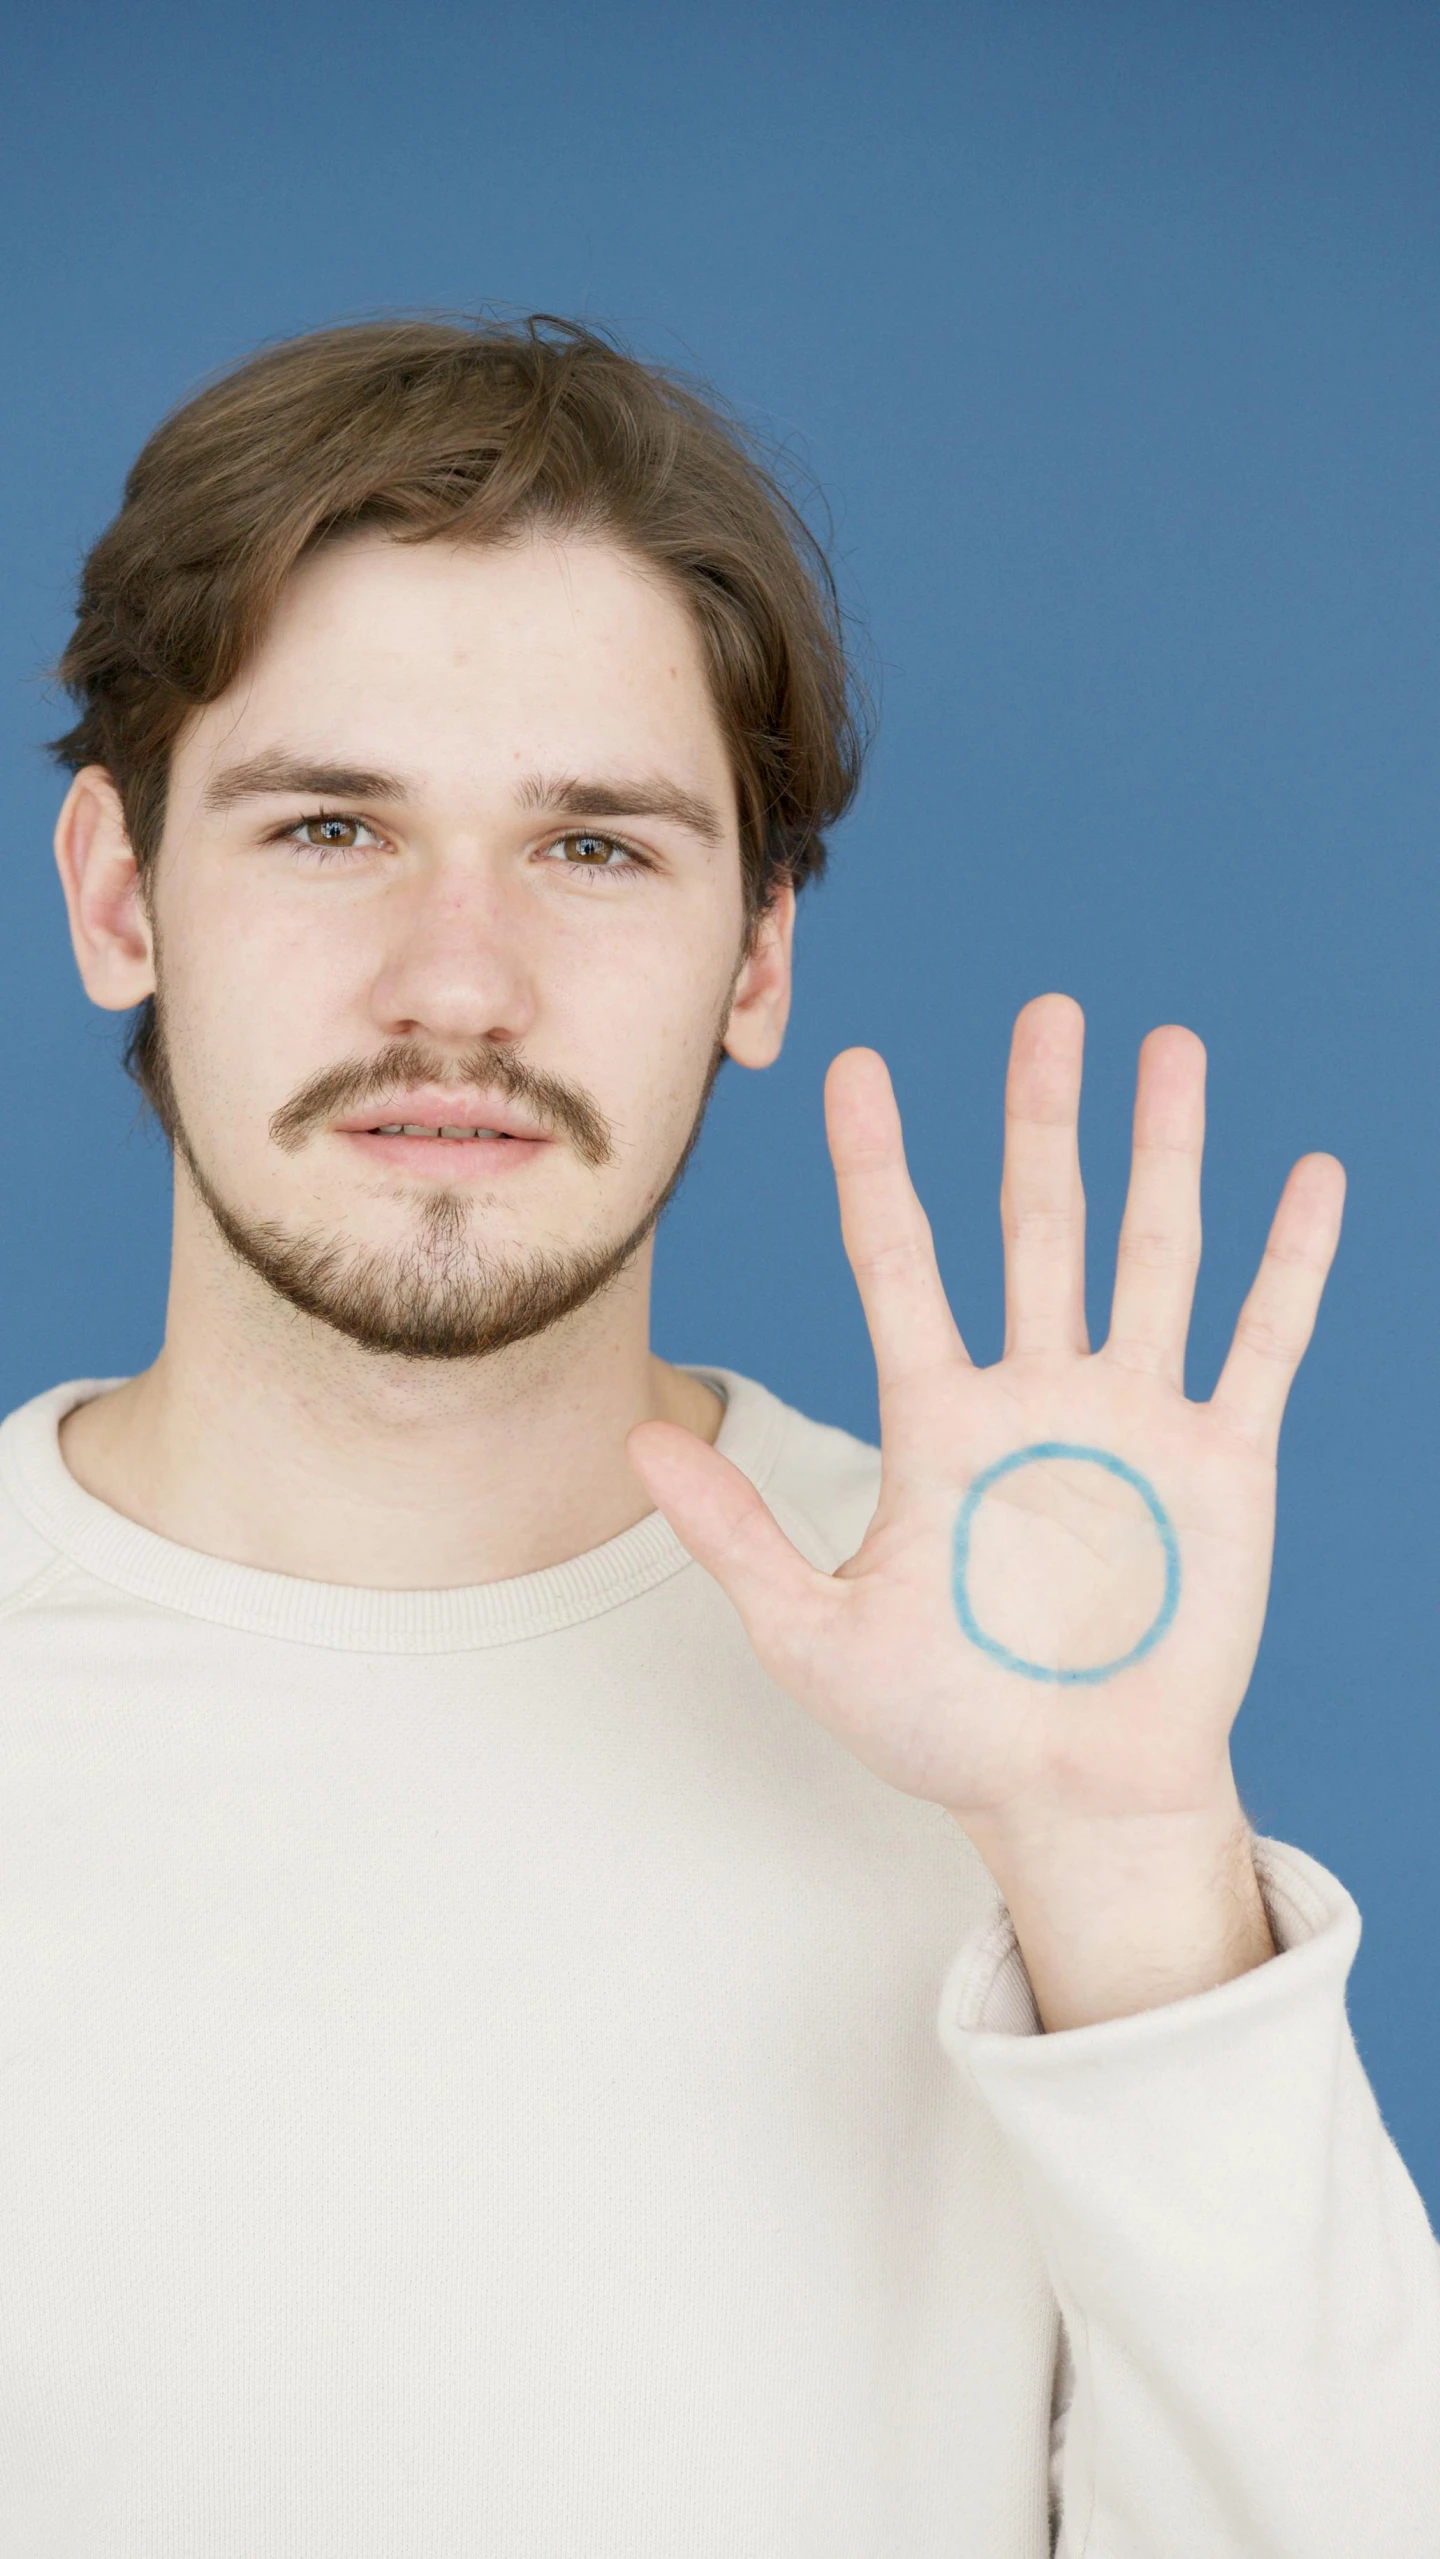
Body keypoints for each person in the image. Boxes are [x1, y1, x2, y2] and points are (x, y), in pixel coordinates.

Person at [3, 314, 1434, 2558]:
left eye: (593, 850)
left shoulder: (1000, 1687)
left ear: (760, 955)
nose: (454, 983)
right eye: (328, 823)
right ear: (117, 897)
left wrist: (1129, 1863)